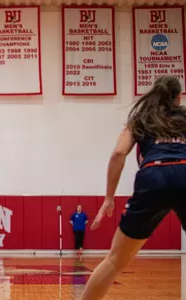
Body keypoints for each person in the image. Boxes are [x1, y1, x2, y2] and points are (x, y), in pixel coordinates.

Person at [81, 75, 186, 299]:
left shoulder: (141, 119)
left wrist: (108, 198)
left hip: (152, 177)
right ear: (179, 97)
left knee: (115, 260)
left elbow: (118, 154)